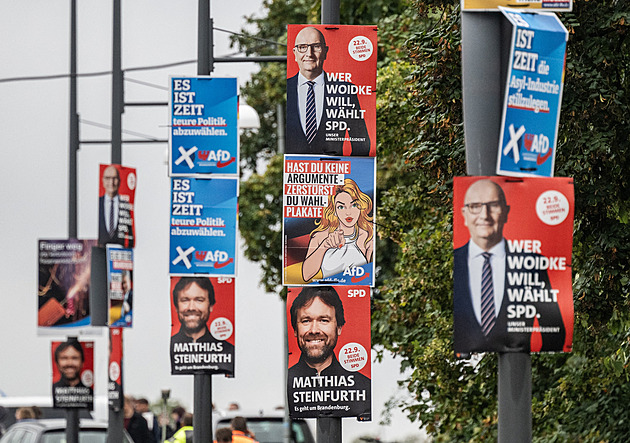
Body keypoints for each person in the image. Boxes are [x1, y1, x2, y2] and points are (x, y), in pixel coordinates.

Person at [453, 179, 566, 355]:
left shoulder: (532, 263)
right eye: (475, 206)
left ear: (506, 212)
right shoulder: (456, 262)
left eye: (493, 205)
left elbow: (554, 332)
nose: (485, 215)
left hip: (520, 368)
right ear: (464, 214)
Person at [287, 286, 371, 419]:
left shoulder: (363, 384)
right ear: (295, 330)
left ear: (339, 327)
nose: (314, 330)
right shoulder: (285, 385)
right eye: (306, 321)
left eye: (323, 320)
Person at [286, 26, 370, 156]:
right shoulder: (286, 88)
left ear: (325, 51)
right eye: (302, 47)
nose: (309, 54)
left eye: (316, 46)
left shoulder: (345, 91)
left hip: (335, 172)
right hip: (295, 172)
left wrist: (348, 171)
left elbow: (362, 144)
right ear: (294, 53)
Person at [302, 179, 373, 282]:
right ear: (334, 211)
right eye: (341, 207)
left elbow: (367, 279)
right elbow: (306, 275)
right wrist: (325, 246)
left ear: (360, 206)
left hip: (355, 295)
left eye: (353, 205)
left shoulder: (367, 236)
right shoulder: (320, 237)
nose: (348, 212)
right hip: (326, 293)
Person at [170, 277, 235, 374]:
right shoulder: (163, 351)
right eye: (185, 300)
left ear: (211, 306)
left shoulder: (228, 349)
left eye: (199, 300)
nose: (191, 307)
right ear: (176, 307)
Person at [98, 165, 123, 245]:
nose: (111, 182)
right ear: (103, 180)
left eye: (114, 178)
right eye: (108, 178)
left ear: (119, 181)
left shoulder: (126, 205)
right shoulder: (98, 203)